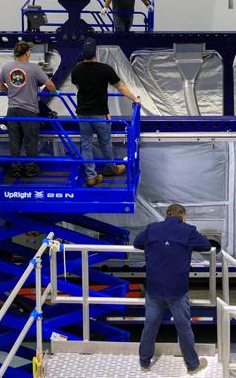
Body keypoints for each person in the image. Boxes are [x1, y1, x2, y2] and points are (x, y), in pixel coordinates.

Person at [134, 204, 210, 374]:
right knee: (183, 328)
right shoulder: (187, 230)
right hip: (177, 290)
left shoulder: (152, 228)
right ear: (182, 215)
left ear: (167, 214)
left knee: (150, 325)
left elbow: (137, 242)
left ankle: (144, 362)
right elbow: (205, 245)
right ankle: (192, 365)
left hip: (154, 288)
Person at [70, 37, 141, 187]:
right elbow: (121, 87)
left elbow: (78, 87)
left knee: (86, 144)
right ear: (95, 52)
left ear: (83, 54)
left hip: (82, 114)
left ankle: (91, 176)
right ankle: (110, 168)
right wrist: (135, 99)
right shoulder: (105, 69)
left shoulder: (76, 69)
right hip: (100, 114)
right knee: (105, 142)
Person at [0, 41, 57, 178]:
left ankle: (15, 168)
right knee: (31, 140)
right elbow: (50, 84)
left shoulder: (7, 67)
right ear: (27, 53)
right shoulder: (34, 69)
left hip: (12, 110)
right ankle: (31, 168)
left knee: (14, 141)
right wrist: (55, 92)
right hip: (29, 111)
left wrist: (9, 92)